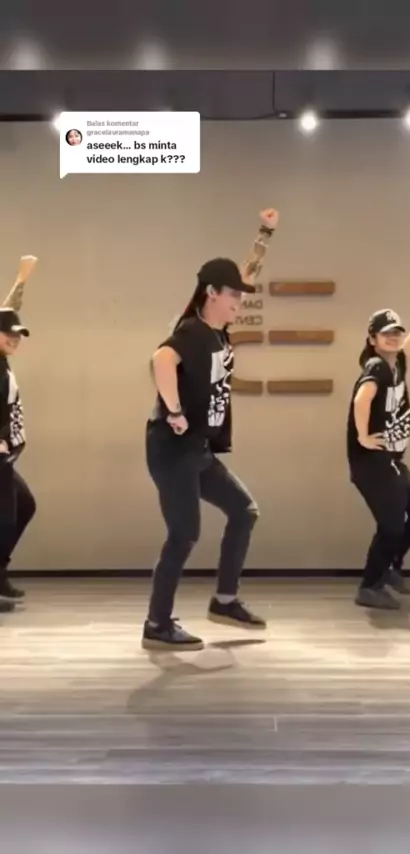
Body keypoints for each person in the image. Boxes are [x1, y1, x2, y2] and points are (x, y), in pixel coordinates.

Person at [143, 208, 279, 650]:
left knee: (244, 511)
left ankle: (224, 601)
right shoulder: (192, 331)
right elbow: (161, 359)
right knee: (184, 534)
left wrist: (264, 233)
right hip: (172, 449)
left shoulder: (219, 330)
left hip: (197, 450)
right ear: (211, 293)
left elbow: (247, 273)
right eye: (232, 295)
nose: (240, 300)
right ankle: (157, 624)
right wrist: (174, 409)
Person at [347, 273, 410, 610]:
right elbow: (362, 398)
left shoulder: (398, 363)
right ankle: (369, 586)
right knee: (390, 526)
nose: (394, 337)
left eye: (396, 333)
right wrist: (363, 436)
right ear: (372, 339)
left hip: (390, 460)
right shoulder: (377, 366)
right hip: (371, 463)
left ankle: (390, 566)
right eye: (386, 333)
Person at [0, 307, 36, 611]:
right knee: (5, 519)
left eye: (18, 335)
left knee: (23, 506)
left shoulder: (3, 363)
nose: (14, 339)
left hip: (6, 457)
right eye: (8, 334)